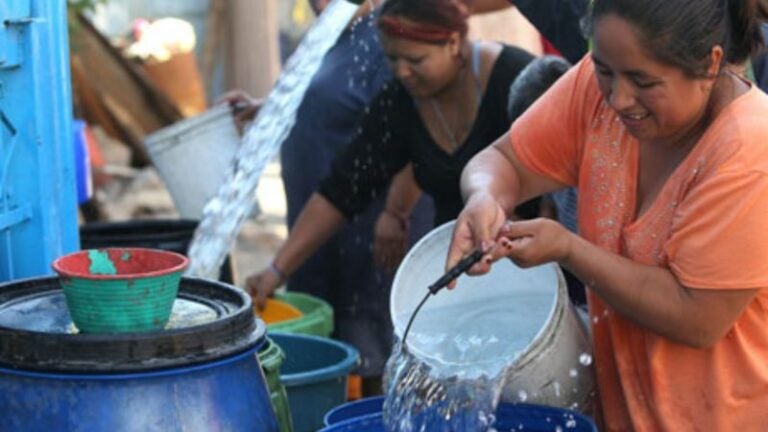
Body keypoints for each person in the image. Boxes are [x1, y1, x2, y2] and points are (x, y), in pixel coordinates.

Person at [446, 0, 768, 429]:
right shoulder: (596, 85)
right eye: (604, 70)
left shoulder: (749, 151)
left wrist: (569, 249)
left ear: (710, 65)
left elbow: (698, 318)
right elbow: (504, 161)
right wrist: (485, 197)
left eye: (643, 81)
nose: (618, 98)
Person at [246, 0, 534, 393]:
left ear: (453, 43)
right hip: (458, 271)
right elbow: (341, 191)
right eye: (391, 58)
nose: (401, 71)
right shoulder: (400, 102)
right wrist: (276, 271)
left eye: (414, 59)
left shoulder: (517, 80)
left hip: (532, 267)